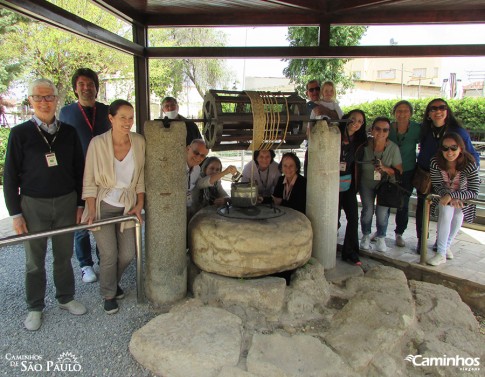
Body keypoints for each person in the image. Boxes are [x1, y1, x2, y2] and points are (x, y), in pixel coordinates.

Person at [3, 78, 87, 331]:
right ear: (30, 101)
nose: (44, 102)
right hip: (32, 204)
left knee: (64, 255)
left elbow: (79, 170)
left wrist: (81, 203)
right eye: (38, 97)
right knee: (34, 260)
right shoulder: (20, 133)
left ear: (56, 100)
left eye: (49, 97)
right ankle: (35, 307)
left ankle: (66, 297)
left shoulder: (69, 132)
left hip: (65, 201)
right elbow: (10, 176)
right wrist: (15, 213)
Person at [82, 99, 145, 314]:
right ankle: (108, 294)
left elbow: (141, 177)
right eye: (122, 118)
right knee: (108, 253)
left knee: (127, 253)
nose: (127, 122)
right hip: (104, 204)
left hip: (127, 205)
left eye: (131, 117)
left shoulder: (139, 141)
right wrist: (91, 209)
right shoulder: (97, 143)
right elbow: (89, 179)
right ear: (110, 118)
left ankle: (112, 282)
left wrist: (140, 204)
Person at [59, 68, 111, 284]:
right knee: (81, 219)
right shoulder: (66, 112)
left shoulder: (107, 111)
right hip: (78, 173)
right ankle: (85, 264)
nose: (86, 88)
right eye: (81, 84)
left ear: (96, 88)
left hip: (103, 173)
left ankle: (104, 259)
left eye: (90, 84)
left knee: (102, 216)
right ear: (75, 88)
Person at [415, 98, 480, 253]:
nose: (438, 111)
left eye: (442, 108)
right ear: (428, 113)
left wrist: (467, 174)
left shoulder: (458, 132)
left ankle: (442, 244)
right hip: (427, 174)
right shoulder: (425, 129)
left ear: (447, 111)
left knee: (451, 211)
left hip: (450, 179)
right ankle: (422, 240)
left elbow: (471, 155)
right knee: (422, 208)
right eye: (433, 108)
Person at [427, 133, 480, 266]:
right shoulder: (435, 162)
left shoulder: (470, 164)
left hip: (463, 195)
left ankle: (446, 246)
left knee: (457, 215)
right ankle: (441, 252)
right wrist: (448, 195)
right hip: (444, 194)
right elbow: (437, 184)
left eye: (453, 148)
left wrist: (454, 196)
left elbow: (473, 190)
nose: (449, 152)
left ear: (460, 148)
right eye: (445, 148)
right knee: (445, 213)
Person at [358, 117, 403, 253]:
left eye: (385, 130)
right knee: (367, 210)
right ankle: (365, 236)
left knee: (382, 213)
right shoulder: (365, 145)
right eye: (377, 129)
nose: (381, 132)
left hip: (385, 185)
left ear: (389, 132)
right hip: (366, 183)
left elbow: (399, 170)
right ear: (372, 130)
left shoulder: (393, 148)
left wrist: (384, 168)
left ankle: (381, 237)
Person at [387, 100, 421, 247]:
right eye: (399, 111)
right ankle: (381, 231)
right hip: (389, 169)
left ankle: (399, 232)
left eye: (406, 111)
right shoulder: (388, 127)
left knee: (403, 203)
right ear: (394, 113)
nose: (402, 114)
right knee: (384, 200)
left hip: (408, 171)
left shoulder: (417, 128)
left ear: (411, 113)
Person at [338, 110, 367, 266]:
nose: (356, 123)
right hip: (330, 183)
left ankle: (351, 253)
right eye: (353, 119)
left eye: (360, 121)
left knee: (353, 218)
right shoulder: (334, 133)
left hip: (348, 183)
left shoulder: (360, 141)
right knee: (332, 219)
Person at [186, 139, 209, 220]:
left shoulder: (197, 169)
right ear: (188, 149)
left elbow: (202, 183)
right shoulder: (176, 167)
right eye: (196, 152)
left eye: (203, 156)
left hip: (187, 209)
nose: (198, 157)